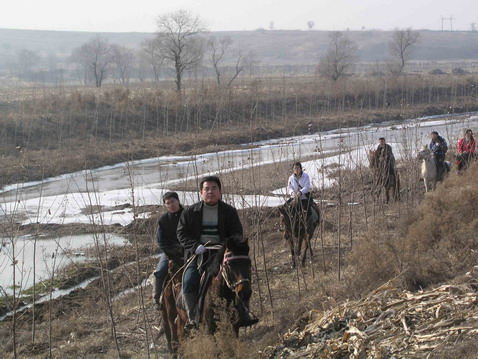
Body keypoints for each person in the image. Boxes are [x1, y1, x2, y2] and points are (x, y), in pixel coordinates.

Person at [177, 175, 256, 329]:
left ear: (220, 192)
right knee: (188, 281)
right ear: (201, 192)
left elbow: (236, 233)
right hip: (198, 253)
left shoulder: (229, 211)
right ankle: (193, 317)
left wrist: (227, 246)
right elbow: (181, 233)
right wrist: (195, 246)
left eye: (214, 188)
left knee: (241, 278)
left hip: (223, 252)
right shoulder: (190, 212)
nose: (210, 192)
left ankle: (244, 312)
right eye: (206, 189)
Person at [152, 192, 184, 310]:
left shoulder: (187, 215)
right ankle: (156, 299)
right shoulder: (163, 220)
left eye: (173, 202)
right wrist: (171, 253)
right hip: (170, 253)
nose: (171, 205)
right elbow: (160, 241)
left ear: (178, 201)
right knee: (160, 271)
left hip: (188, 251)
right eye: (168, 203)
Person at [286, 162, 319, 238]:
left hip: (303, 198)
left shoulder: (306, 176)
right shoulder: (291, 178)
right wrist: (292, 193)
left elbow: (307, 187)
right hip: (294, 198)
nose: (296, 170)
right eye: (295, 168)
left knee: (308, 211)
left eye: (298, 168)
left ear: (301, 169)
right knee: (284, 208)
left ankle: (309, 227)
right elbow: (289, 188)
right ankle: (286, 228)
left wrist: (300, 192)